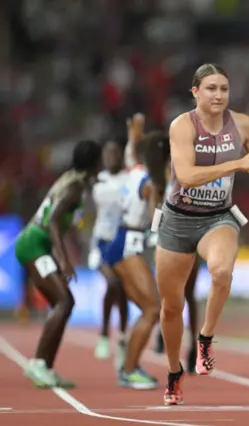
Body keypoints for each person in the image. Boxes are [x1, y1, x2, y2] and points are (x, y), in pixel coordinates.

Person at [156, 63, 249, 405]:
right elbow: (186, 176)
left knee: (222, 272)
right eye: (211, 88)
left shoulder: (240, 124)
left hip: (217, 218)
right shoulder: (182, 125)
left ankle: (205, 339)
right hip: (177, 219)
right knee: (170, 307)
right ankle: (173, 372)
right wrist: (236, 164)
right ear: (195, 92)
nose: (218, 95)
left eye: (223, 88)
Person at [15, 139, 104, 389]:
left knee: (64, 303)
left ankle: (46, 366)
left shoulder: (75, 180)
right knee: (64, 302)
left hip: (39, 244)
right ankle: (39, 364)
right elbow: (53, 220)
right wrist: (64, 258)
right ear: (95, 163)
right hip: (33, 244)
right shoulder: (74, 187)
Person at [98, 131, 168, 390]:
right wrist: (162, 210)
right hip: (129, 243)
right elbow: (152, 220)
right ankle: (129, 369)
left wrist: (134, 130)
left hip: (122, 241)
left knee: (149, 308)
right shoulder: (151, 182)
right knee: (152, 309)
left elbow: (131, 152)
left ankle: (129, 366)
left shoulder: (135, 169)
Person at [90, 139, 129, 370]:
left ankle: (122, 338)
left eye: (114, 153)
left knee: (122, 291)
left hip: (122, 241)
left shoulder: (129, 179)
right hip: (101, 241)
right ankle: (105, 333)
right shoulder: (98, 180)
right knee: (113, 283)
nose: (111, 157)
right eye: (107, 154)